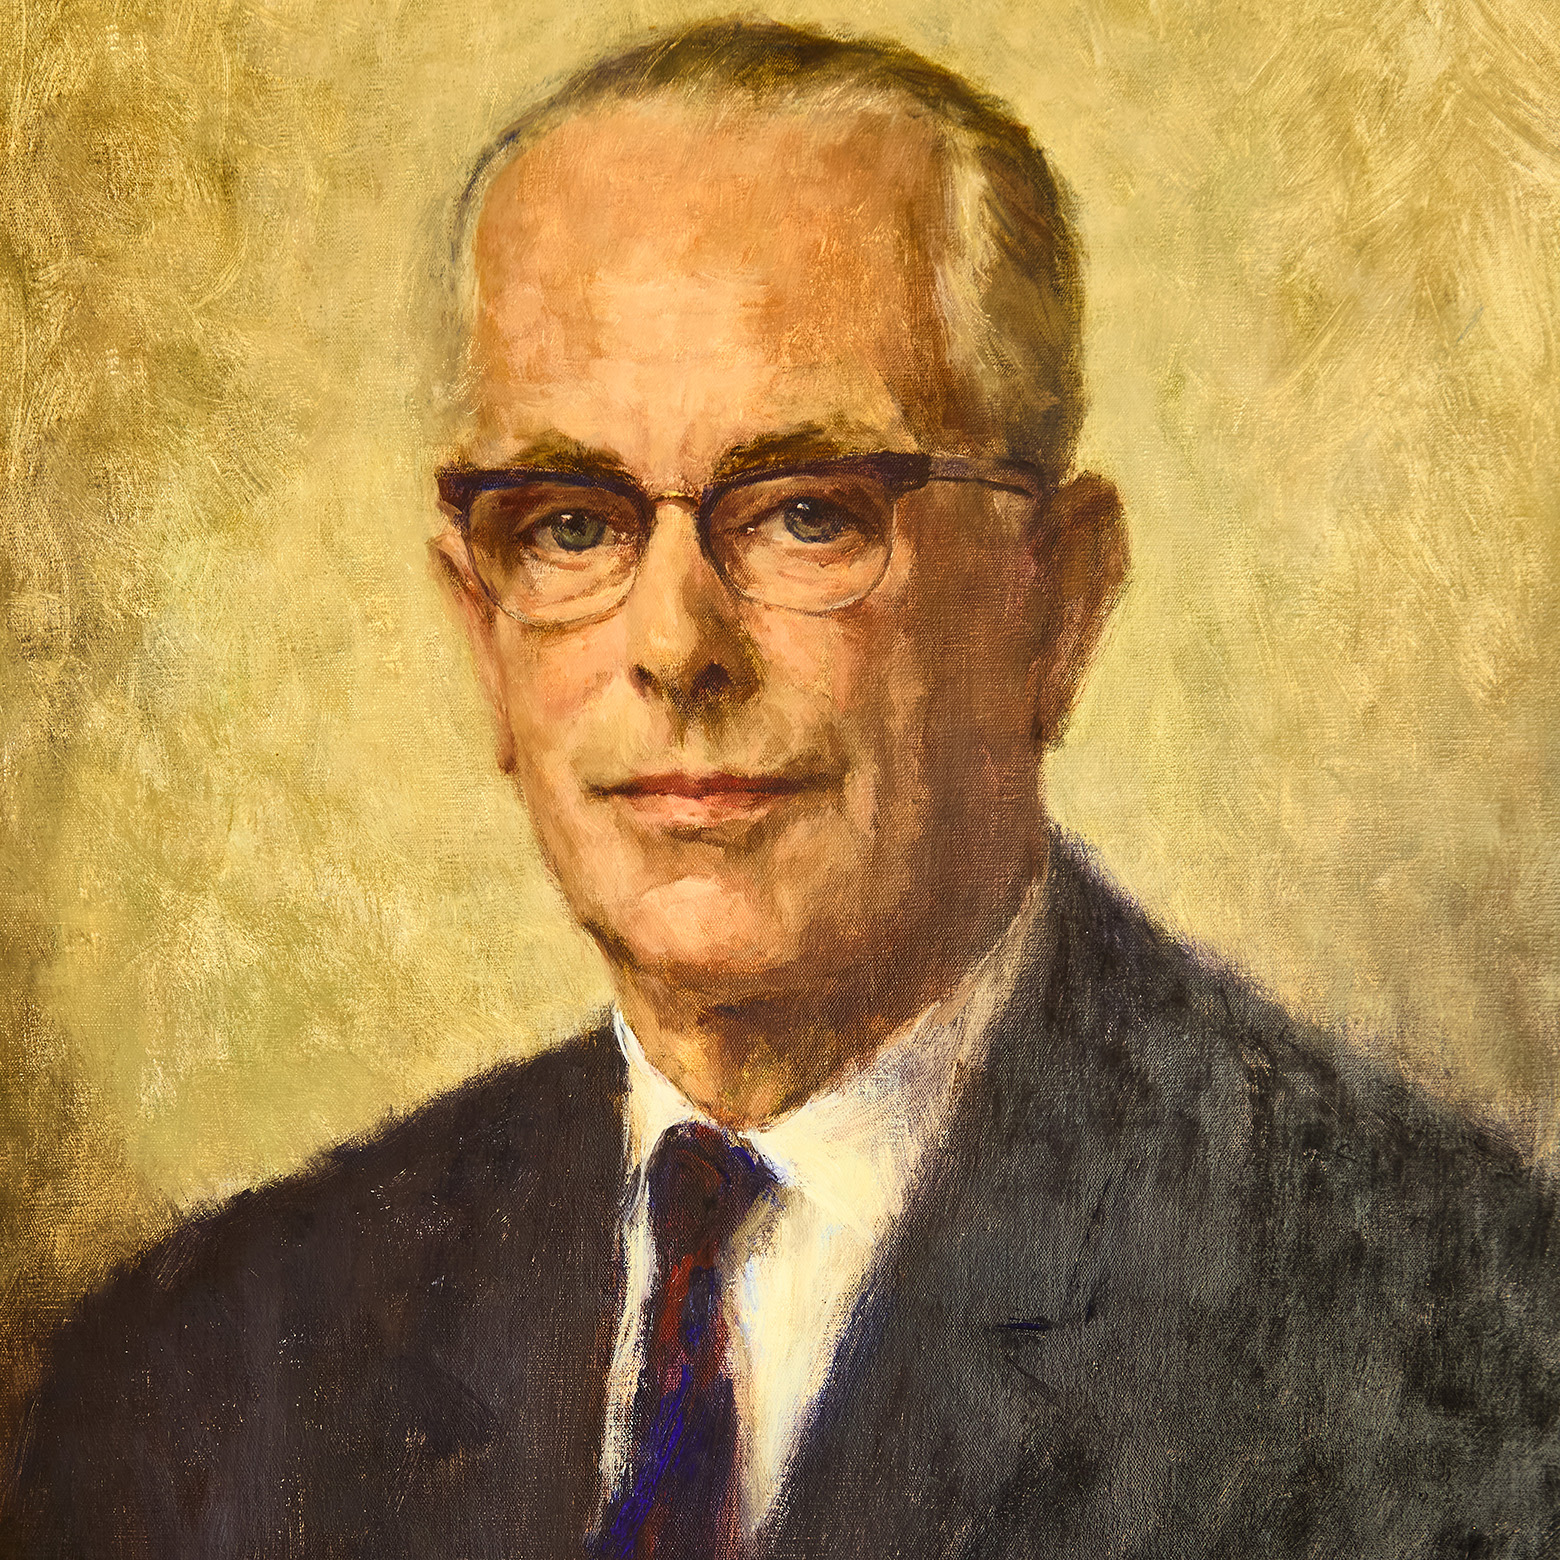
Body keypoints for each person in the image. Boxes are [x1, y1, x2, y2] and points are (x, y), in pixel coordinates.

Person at [3, 19, 1556, 1559]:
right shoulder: (207, 1375)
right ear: (482, 632)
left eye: (808, 512)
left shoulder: (1452, 1344)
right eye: (569, 525)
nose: (676, 645)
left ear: (1057, 606)